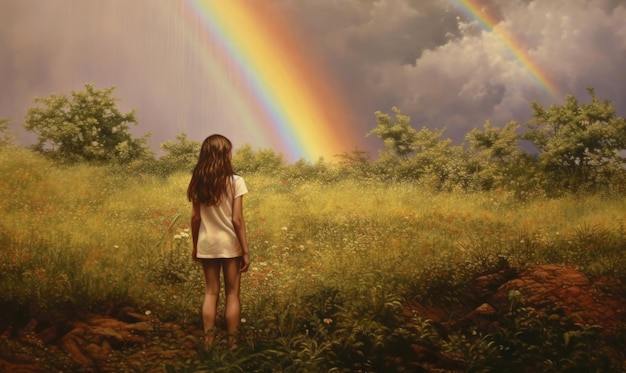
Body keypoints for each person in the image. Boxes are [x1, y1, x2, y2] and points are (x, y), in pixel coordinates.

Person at [187, 134, 250, 349]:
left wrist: (196, 245)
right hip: (230, 244)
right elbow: (237, 219)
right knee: (232, 293)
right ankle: (233, 345)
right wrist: (246, 251)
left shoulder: (198, 182)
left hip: (207, 243)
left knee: (211, 292)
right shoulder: (236, 182)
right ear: (225, 155)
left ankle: (208, 343)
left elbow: (195, 218)